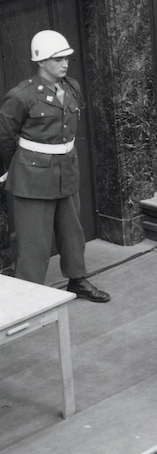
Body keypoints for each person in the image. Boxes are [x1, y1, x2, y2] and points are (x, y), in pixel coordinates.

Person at [0, 30, 110, 302]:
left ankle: (77, 279)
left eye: (66, 58)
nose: (64, 64)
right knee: (34, 241)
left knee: (72, 232)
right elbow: (4, 136)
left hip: (66, 170)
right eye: (57, 59)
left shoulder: (71, 86)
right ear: (40, 61)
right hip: (33, 176)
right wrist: (12, 167)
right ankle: (28, 296)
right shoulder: (22, 95)